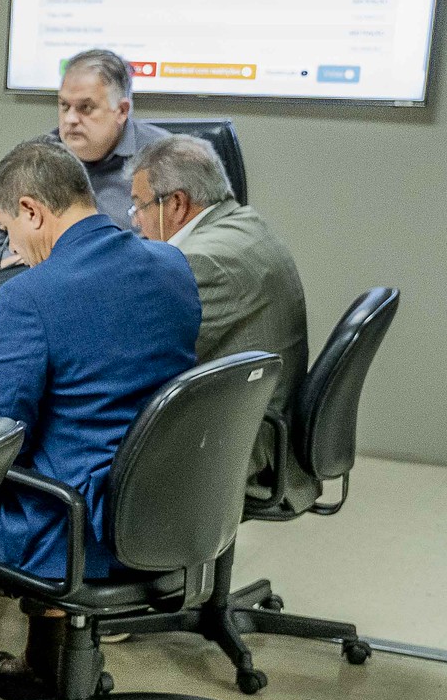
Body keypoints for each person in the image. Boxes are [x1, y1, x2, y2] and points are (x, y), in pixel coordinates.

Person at [0, 140, 199, 669]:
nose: (14, 249)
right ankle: (49, 664)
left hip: (74, 528)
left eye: (9, 232)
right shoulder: (172, 265)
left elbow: (0, 437)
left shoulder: (28, 296)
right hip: (166, 509)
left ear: (32, 210)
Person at [130, 134, 316, 513]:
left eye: (139, 206)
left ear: (177, 203)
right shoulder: (245, 223)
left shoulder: (203, 262)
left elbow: (134, 357)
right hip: (261, 416)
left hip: (239, 440)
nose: (136, 222)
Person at [0, 49, 171, 275]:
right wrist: (9, 263)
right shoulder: (42, 156)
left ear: (122, 111)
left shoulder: (162, 156)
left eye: (86, 108)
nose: (70, 119)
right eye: (64, 106)